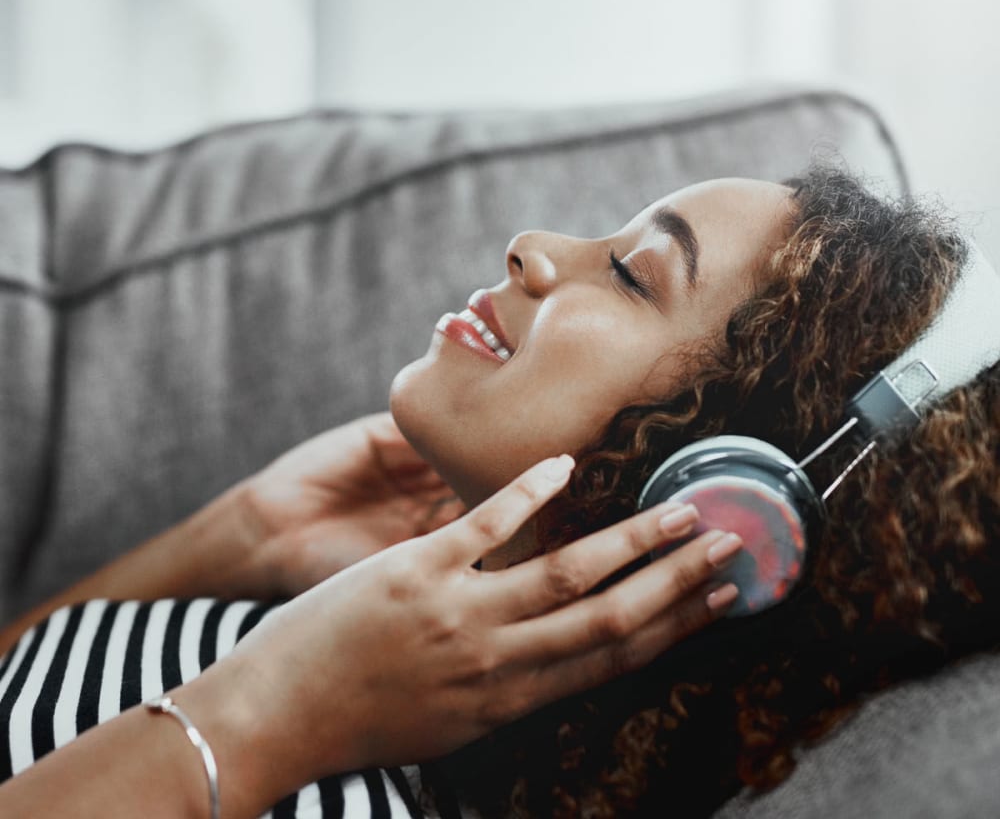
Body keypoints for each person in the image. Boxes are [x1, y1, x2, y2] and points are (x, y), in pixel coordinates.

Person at [0, 164, 995, 818]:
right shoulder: (320, 627)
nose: (532, 246)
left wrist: (277, 708)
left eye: (631, 275)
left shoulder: (314, 735)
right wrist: (242, 536)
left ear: (717, 498)